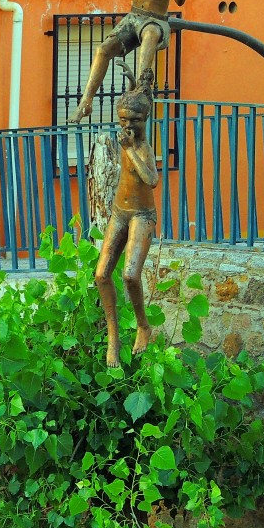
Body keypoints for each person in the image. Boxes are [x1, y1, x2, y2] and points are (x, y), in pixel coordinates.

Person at [95, 68, 159, 367]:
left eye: (134, 120)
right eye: (123, 120)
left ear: (145, 120)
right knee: (101, 274)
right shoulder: (124, 139)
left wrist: (131, 151)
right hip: (120, 212)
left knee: (130, 276)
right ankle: (113, 337)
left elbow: (152, 180)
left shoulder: (141, 147)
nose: (128, 125)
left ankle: (143, 325)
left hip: (142, 216)